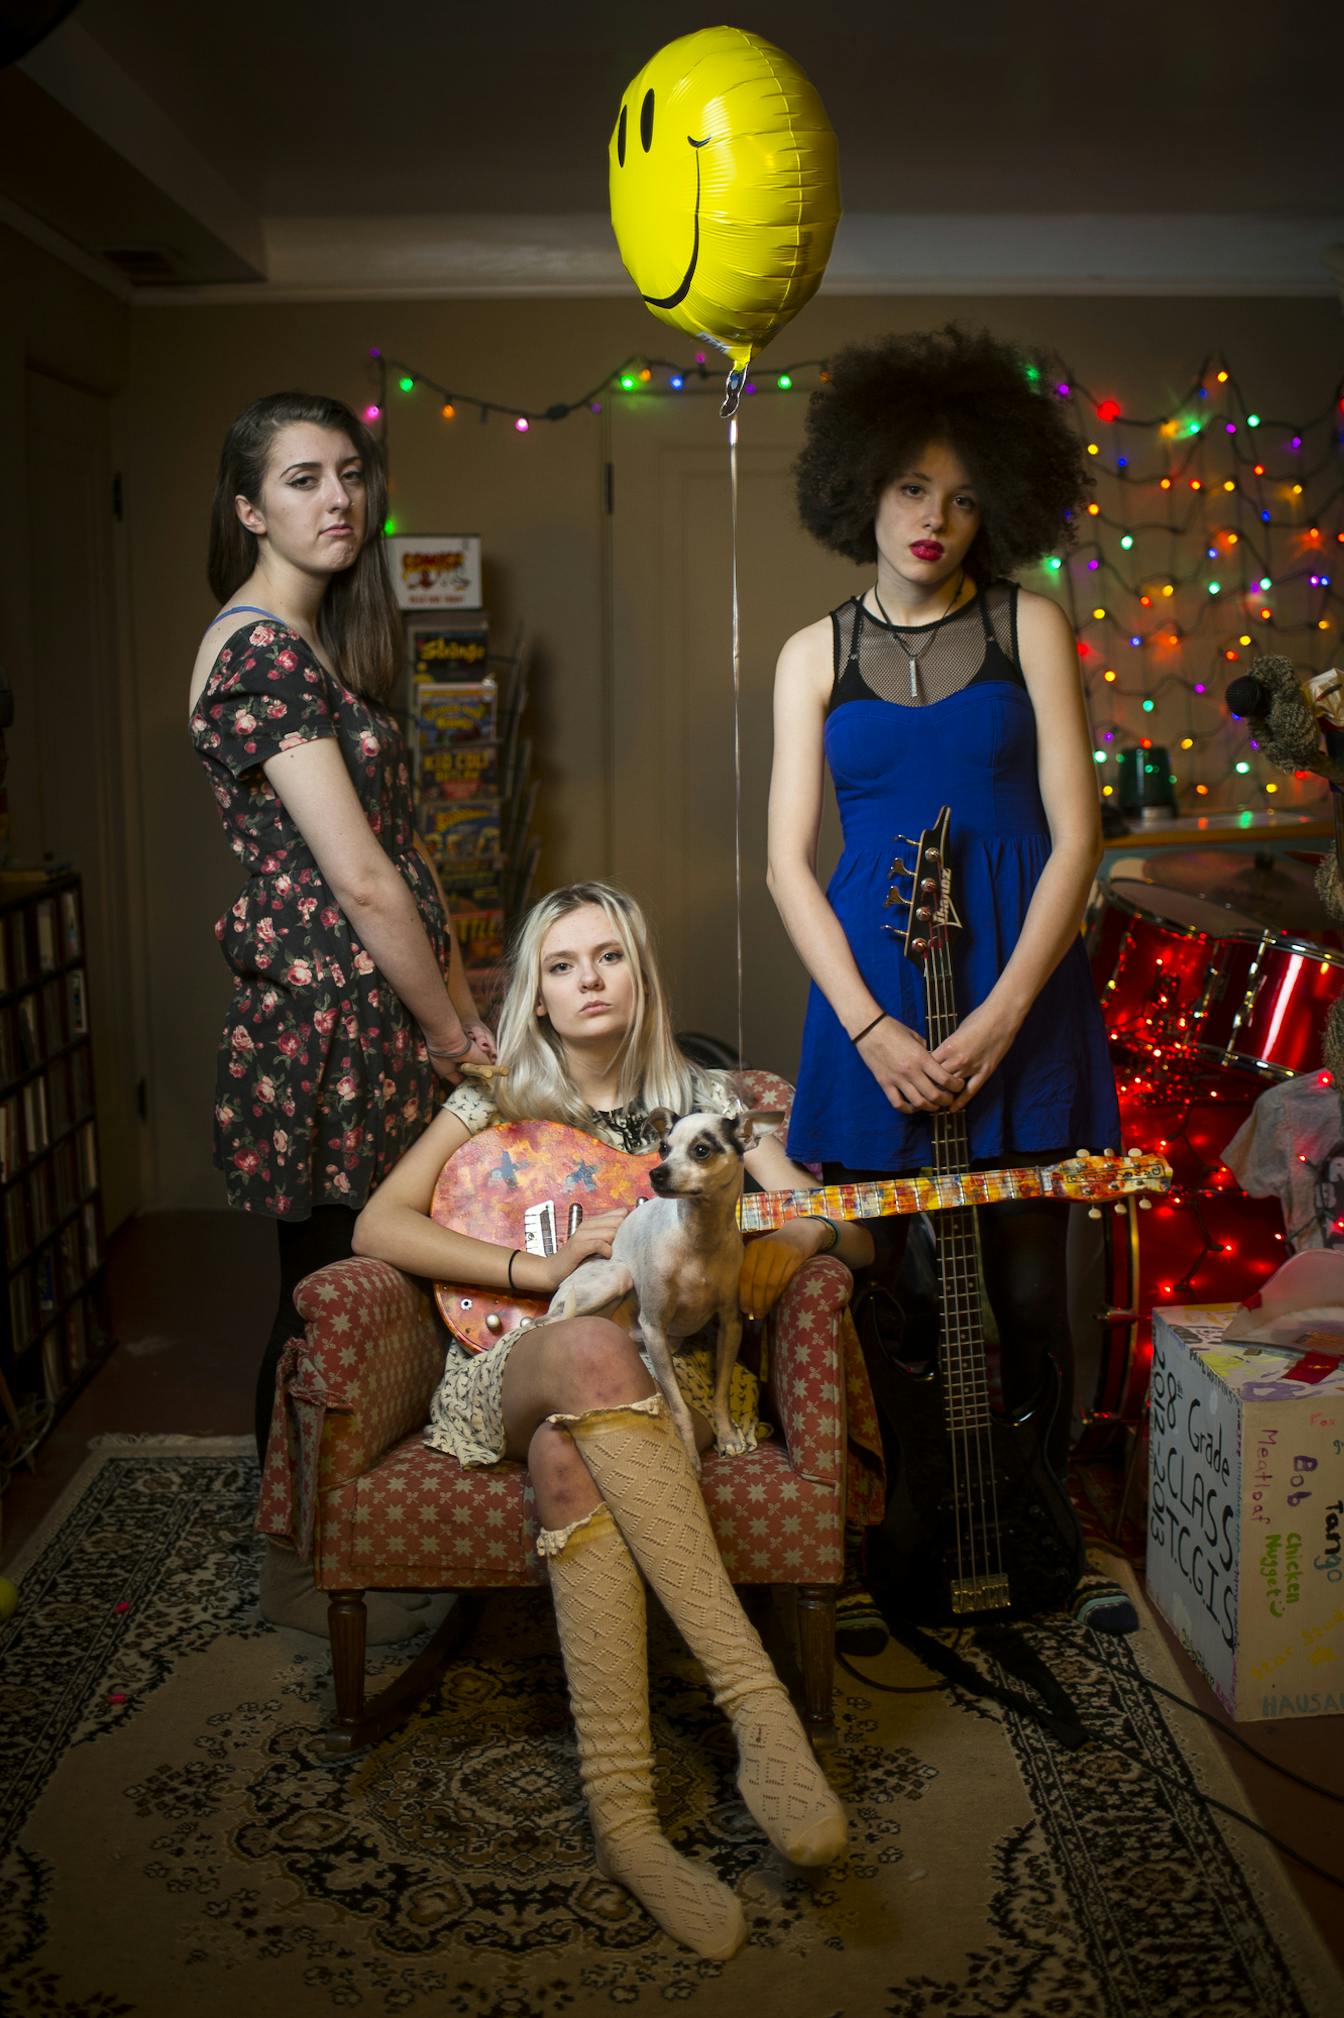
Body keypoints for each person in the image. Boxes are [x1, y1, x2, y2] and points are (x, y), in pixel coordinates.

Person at [353, 880, 871, 1958]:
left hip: (645, 1387)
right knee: (591, 1342)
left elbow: (848, 1230)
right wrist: (534, 1265)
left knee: (572, 1453)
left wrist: (798, 1240)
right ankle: (759, 1708)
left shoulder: (711, 1100)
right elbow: (375, 1225)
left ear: (639, 974)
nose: (587, 980)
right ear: (535, 995)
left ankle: (627, 1825)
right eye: (560, 963)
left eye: (608, 956)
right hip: (505, 1364)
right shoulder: (490, 1096)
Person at [766, 326, 1121, 1611]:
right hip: (873, 1009)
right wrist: (868, 1030)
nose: (936, 517)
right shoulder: (812, 654)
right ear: (861, 484)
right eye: (913, 486)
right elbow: (784, 865)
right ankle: (918, 1517)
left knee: (1031, 1291)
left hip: (1019, 998)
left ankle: (1027, 1517)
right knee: (899, 1299)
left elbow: (1076, 836)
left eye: (967, 494)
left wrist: (1004, 1012)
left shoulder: (1031, 621)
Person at [189, 391, 496, 1641]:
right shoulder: (258, 645)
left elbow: (404, 864)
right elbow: (359, 876)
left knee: (370, 1282)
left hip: (378, 1006)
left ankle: (358, 1529)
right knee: (322, 1291)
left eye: (351, 474)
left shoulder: (316, 645)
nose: (338, 499)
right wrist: (443, 1032)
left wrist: (464, 1005)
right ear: (251, 508)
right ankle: (302, 1559)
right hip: (329, 1020)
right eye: (303, 479)